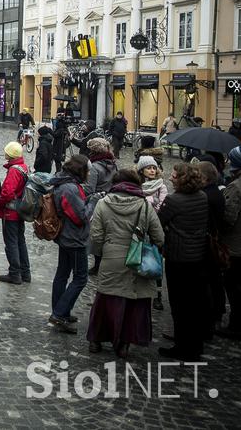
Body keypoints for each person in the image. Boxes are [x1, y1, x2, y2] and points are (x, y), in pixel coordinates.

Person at [87, 169, 165, 358]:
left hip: (111, 257)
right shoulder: (145, 206)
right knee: (133, 302)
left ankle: (96, 340)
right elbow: (159, 237)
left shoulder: (103, 204)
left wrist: (103, 253)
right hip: (137, 260)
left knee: (106, 299)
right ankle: (124, 344)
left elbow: (96, 237)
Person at [157, 163, 209, 361]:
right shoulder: (202, 197)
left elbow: (160, 222)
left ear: (182, 178)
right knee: (194, 303)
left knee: (179, 304)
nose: (171, 177)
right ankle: (195, 345)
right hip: (197, 256)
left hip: (178, 257)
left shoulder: (174, 200)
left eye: (174, 175)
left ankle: (182, 347)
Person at [48, 155, 92, 333]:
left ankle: (61, 311)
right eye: (87, 171)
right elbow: (80, 217)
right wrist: (93, 203)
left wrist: (86, 200)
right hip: (74, 239)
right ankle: (59, 313)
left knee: (63, 274)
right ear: (81, 170)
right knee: (80, 278)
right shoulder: (70, 188)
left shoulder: (65, 183)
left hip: (67, 236)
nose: (89, 174)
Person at [221, 145, 241, 340]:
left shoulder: (237, 186)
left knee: (236, 287)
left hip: (238, 246)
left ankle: (239, 325)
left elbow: (228, 218)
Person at [197, 161, 228, 336]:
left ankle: (209, 321)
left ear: (204, 177)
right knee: (214, 282)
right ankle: (214, 317)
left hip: (207, 245)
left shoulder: (207, 196)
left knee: (209, 283)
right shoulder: (215, 192)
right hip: (212, 242)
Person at [0, 142, 30, 285]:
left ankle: (14, 273)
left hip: (11, 212)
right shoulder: (23, 167)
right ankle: (25, 272)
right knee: (20, 241)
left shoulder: (14, 170)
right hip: (20, 210)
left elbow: (7, 192)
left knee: (11, 243)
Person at [85, 137, 118, 276]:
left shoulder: (94, 167)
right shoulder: (113, 164)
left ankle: (98, 264)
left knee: (96, 235)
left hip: (98, 203)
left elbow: (89, 188)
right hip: (111, 201)